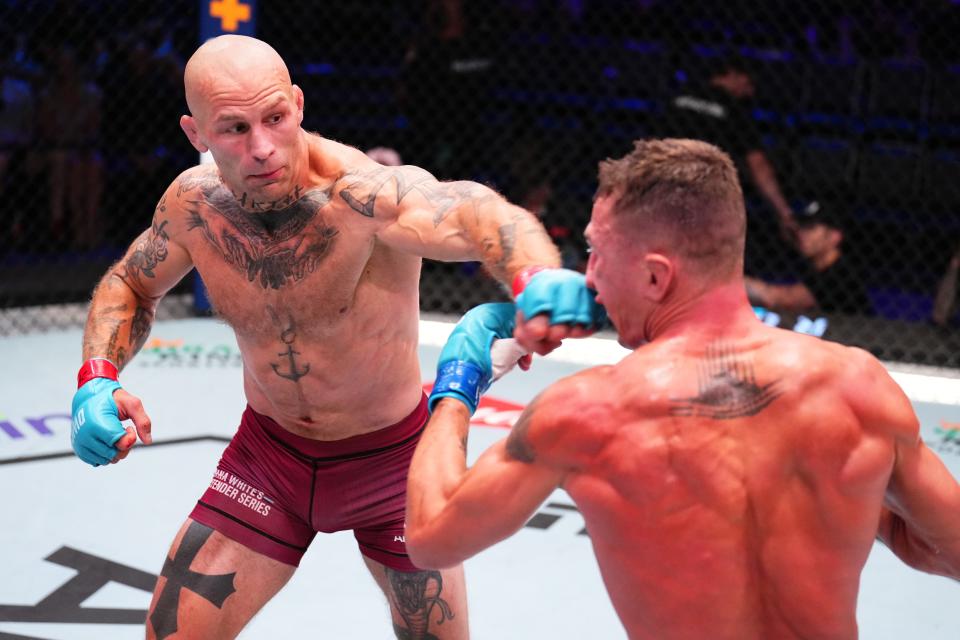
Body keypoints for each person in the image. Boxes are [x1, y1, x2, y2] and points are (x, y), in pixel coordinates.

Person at [68, 35, 603, 640]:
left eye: (275, 118)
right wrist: (97, 377)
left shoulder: (360, 195)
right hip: (269, 459)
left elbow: (477, 214)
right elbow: (131, 284)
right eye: (235, 129)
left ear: (298, 103)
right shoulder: (195, 207)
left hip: (395, 464)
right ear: (196, 134)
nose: (263, 147)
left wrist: (533, 274)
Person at [406, 138, 960, 639]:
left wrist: (459, 382)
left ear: (655, 276)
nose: (589, 276)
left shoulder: (588, 412)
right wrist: (843, 501)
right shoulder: (859, 388)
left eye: (597, 251)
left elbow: (431, 536)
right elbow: (940, 546)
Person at [662, 56, 798, 251]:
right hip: (703, 193)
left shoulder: (677, 95)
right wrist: (783, 211)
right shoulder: (735, 110)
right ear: (733, 74)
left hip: (662, 186)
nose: (750, 92)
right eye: (749, 83)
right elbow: (757, 162)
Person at [744, 198, 872, 315]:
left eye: (811, 227)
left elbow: (780, 299)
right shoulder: (815, 268)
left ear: (834, 236)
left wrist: (730, 279)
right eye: (802, 226)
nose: (802, 233)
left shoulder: (842, 273)